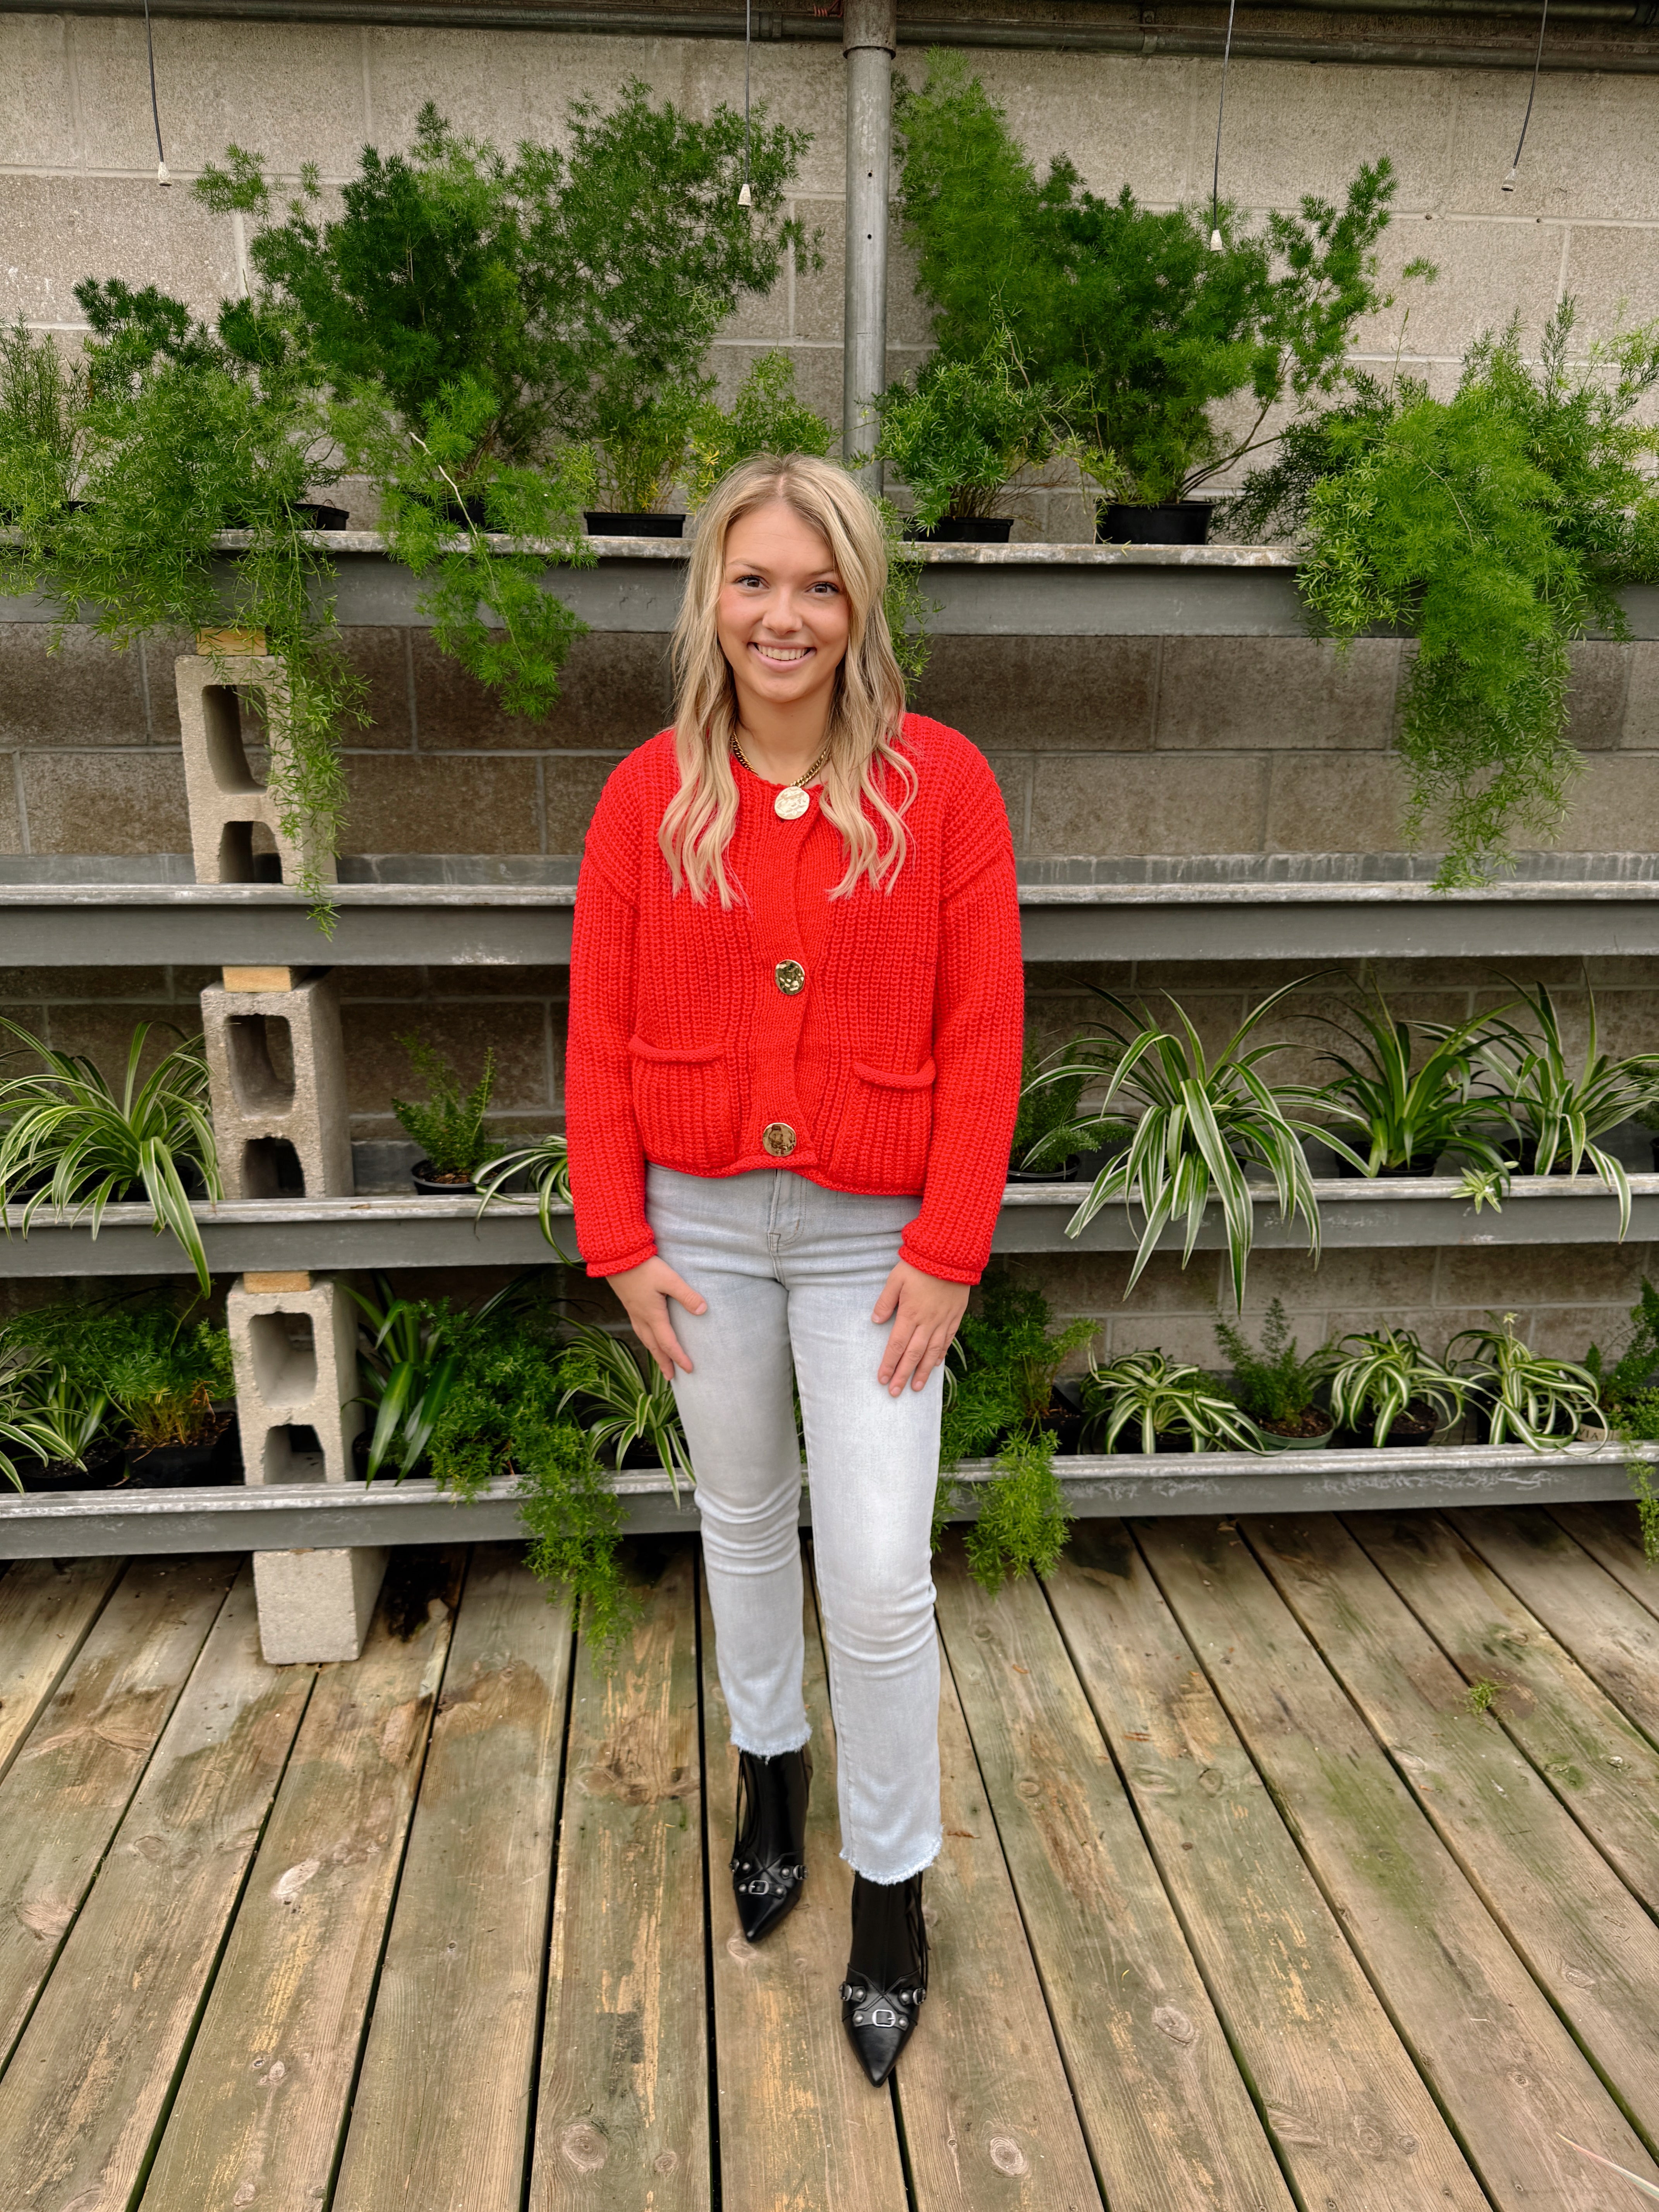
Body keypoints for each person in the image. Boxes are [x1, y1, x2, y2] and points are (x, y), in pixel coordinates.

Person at [564, 452, 1023, 2085]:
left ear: (861, 605)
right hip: (694, 1235)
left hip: (874, 1248)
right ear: (712, 599)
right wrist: (617, 1238)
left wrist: (951, 1247)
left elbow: (984, 1030)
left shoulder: (942, 787)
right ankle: (772, 1770)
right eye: (755, 581)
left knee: (885, 1569)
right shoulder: (646, 797)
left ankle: (890, 1885)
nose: (785, 614)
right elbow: (597, 1032)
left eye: (818, 585)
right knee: (745, 1518)